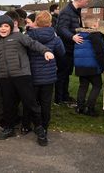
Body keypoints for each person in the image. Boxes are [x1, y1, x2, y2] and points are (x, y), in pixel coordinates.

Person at [0, 15, 54, 146]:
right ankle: (9, 128)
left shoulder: (18, 37)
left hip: (22, 75)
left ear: (11, 27)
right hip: (5, 77)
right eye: (1, 26)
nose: (3, 29)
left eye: (6, 26)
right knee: (8, 105)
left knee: (31, 103)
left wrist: (45, 51)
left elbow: (33, 44)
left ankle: (40, 129)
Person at [24, 11, 65, 139]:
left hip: (32, 74)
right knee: (45, 103)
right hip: (49, 76)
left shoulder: (28, 36)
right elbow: (62, 53)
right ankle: (44, 126)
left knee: (30, 101)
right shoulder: (55, 38)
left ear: (36, 21)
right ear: (50, 23)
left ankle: (26, 125)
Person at [55, 0, 91, 106]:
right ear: (80, 0)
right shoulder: (67, 12)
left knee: (66, 74)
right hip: (64, 48)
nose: (87, 4)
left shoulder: (76, 11)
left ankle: (65, 96)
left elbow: (75, 26)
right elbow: (61, 29)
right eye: (86, 1)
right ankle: (58, 99)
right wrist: (72, 37)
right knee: (62, 74)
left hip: (71, 49)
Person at [74, 18, 104, 117]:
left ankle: (80, 107)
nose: (98, 24)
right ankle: (90, 108)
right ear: (94, 25)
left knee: (83, 86)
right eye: (97, 22)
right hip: (92, 66)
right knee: (97, 85)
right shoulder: (95, 36)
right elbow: (100, 52)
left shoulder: (78, 35)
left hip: (80, 65)